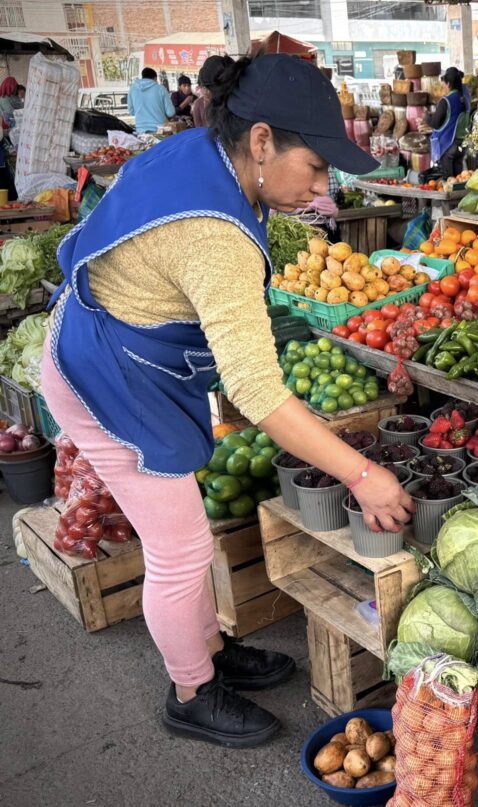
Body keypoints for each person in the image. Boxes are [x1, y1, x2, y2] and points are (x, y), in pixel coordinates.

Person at [41, 52, 412, 749]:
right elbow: (257, 391)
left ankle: (211, 652)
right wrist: (361, 473)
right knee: (179, 548)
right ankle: (191, 689)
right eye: (318, 166)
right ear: (263, 140)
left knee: (185, 530)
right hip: (102, 374)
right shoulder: (216, 236)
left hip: (127, 350)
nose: (323, 186)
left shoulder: (208, 153)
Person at [419, 66, 471, 179]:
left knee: (448, 181)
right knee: (458, 179)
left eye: (444, 84)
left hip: (448, 145)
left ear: (448, 84)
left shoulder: (446, 101)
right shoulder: (465, 96)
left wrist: (427, 117)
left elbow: (436, 124)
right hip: (462, 144)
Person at [128, 68, 175, 133]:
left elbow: (131, 112)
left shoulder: (132, 89)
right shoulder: (160, 89)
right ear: (155, 78)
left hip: (141, 130)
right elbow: (170, 112)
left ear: (143, 77)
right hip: (160, 130)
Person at [190, 57, 227, 129]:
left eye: (207, 87)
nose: (205, 91)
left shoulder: (229, 102)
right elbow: (199, 129)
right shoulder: (198, 104)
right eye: (202, 87)